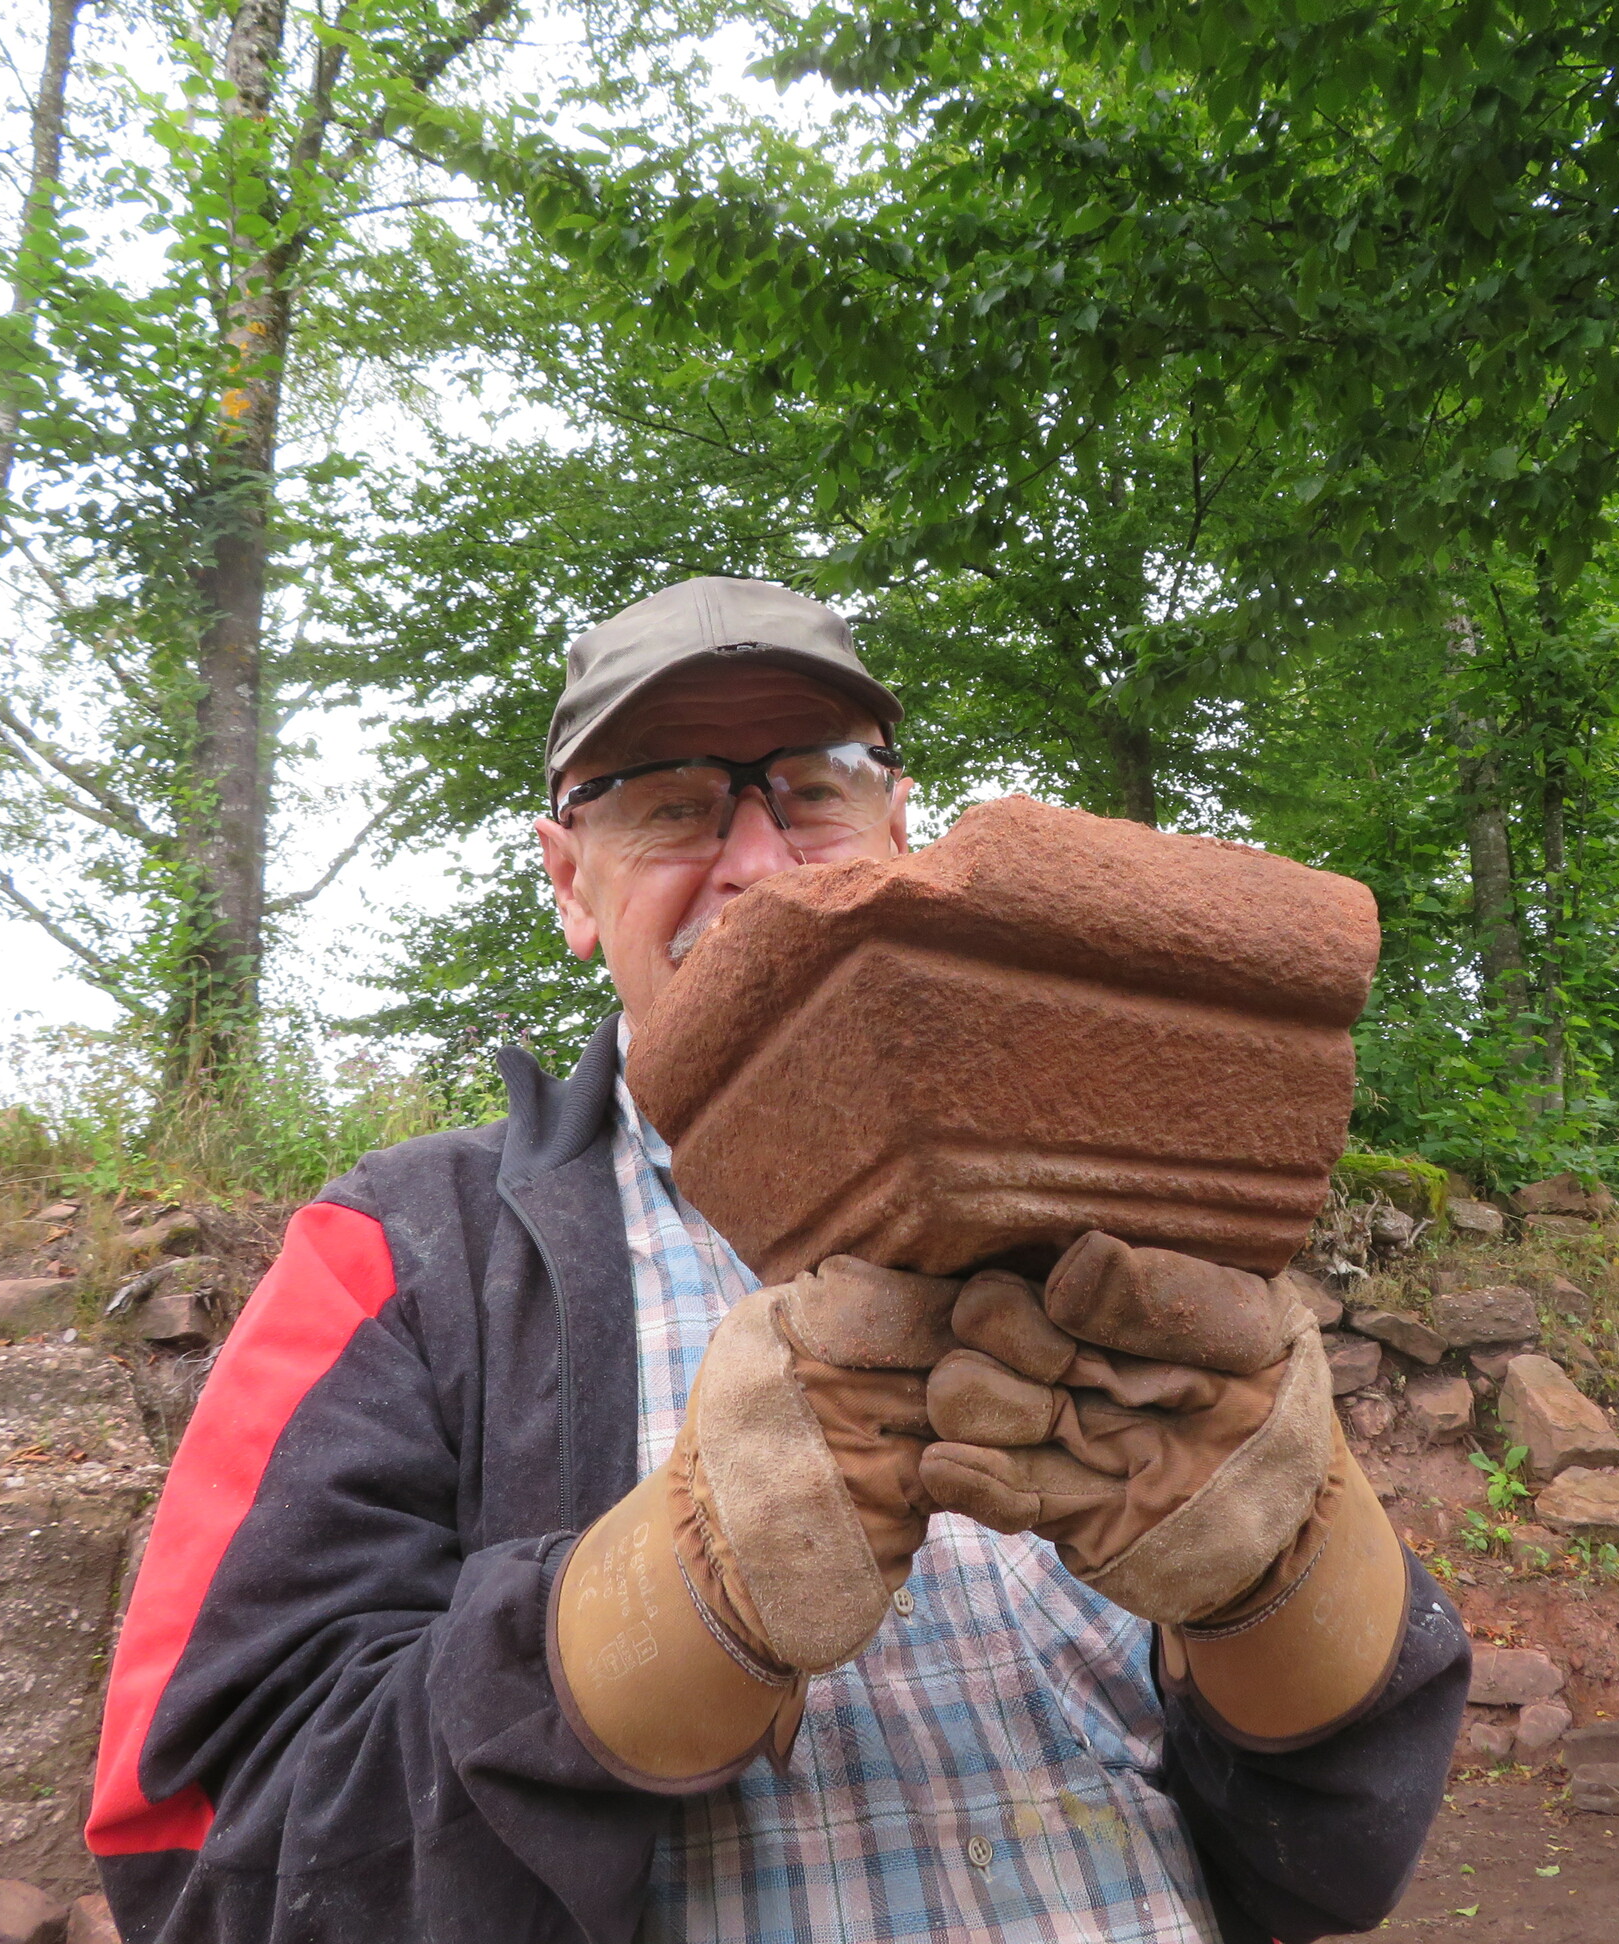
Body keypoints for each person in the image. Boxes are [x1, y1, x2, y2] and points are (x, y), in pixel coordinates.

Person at [85, 576, 1469, 1943]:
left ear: (897, 828)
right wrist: (659, 1610)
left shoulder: (1110, 1214)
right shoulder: (398, 1252)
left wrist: (1277, 1585)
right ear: (570, 880)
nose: (758, 865)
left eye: (812, 789)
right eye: (670, 805)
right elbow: (198, 1856)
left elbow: (1337, 1863)